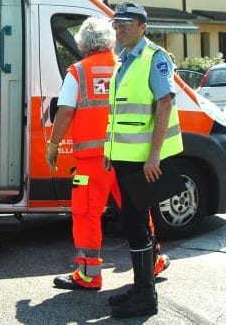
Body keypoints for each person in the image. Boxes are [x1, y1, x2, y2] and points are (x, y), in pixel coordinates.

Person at [45, 17, 169, 292]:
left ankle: (89, 274)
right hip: (126, 156)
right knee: (137, 211)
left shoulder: (78, 71)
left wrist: (53, 145)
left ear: (83, 44)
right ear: (111, 40)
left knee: (87, 213)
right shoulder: (124, 65)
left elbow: (65, 111)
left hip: (92, 162)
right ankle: (154, 261)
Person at [103, 1, 183, 318]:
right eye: (116, 25)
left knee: (137, 225)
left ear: (142, 26)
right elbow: (119, 113)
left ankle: (146, 297)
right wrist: (110, 152)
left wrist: (153, 157)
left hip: (142, 161)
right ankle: (139, 289)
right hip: (124, 157)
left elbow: (164, 105)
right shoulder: (122, 61)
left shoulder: (155, 58)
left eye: (125, 24)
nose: (119, 29)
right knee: (133, 225)